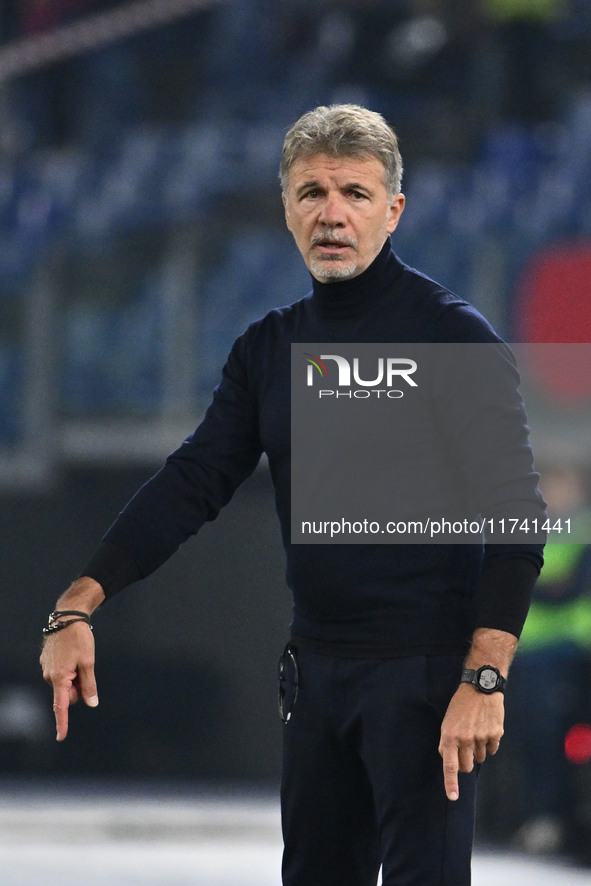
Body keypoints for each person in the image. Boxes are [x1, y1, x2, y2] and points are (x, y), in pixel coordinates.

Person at [40, 104, 545, 885]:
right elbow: (192, 482)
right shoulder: (268, 348)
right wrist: (79, 603)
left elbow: (516, 517)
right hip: (316, 676)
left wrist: (484, 677)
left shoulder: (452, 337)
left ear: (393, 210)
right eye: (311, 193)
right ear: (286, 210)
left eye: (353, 192)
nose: (332, 213)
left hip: (425, 680)